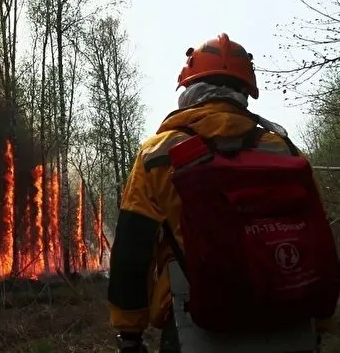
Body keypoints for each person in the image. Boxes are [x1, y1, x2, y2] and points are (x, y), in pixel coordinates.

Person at [107, 33, 336, 352]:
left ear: (189, 90)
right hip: (291, 322)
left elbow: (133, 248)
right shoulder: (283, 150)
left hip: (194, 328)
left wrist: (129, 332)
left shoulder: (158, 153)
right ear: (245, 92)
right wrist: (321, 321)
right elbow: (315, 239)